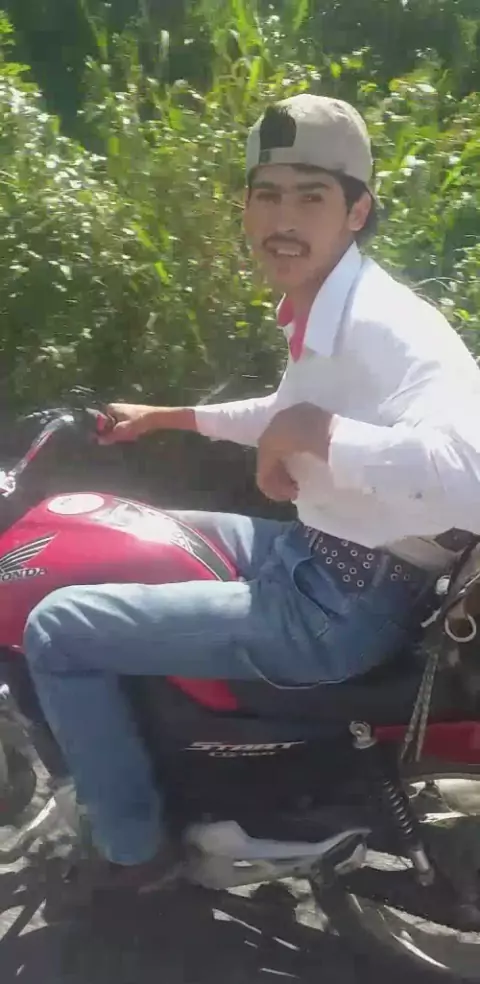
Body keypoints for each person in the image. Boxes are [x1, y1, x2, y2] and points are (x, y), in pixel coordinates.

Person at [23, 94, 480, 898]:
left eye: (311, 196)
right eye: (267, 194)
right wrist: (164, 418)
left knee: (57, 627)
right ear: (245, 206)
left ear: (357, 211)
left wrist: (315, 431)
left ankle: (130, 848)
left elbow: (468, 479)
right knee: (139, 530)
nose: (283, 219)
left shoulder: (385, 327)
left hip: (339, 605)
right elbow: (283, 411)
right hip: (316, 552)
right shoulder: (332, 303)